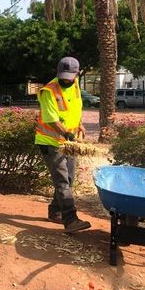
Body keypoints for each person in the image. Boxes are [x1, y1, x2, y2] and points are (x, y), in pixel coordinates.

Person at [35, 56, 91, 234]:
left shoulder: (75, 85)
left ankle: (55, 210)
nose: (66, 80)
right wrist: (66, 133)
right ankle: (70, 219)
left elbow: (76, 108)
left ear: (77, 74)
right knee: (62, 182)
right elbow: (51, 120)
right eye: (63, 77)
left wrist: (80, 124)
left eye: (69, 77)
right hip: (51, 142)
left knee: (69, 179)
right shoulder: (48, 91)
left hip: (69, 142)